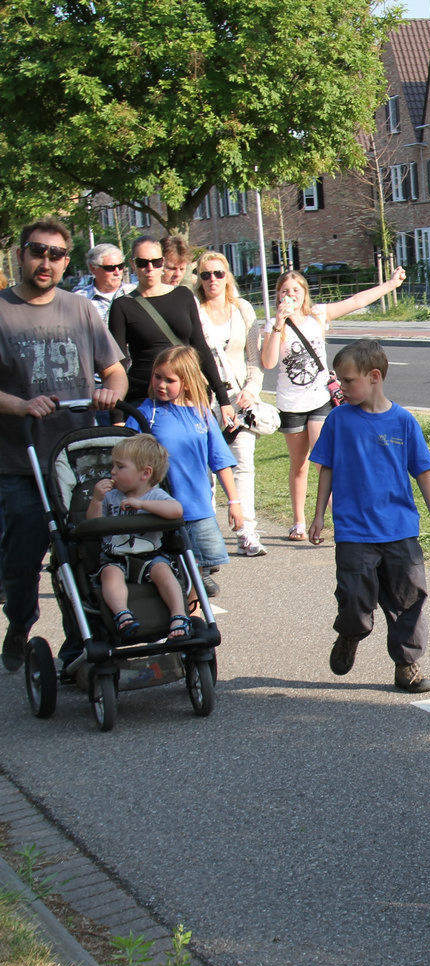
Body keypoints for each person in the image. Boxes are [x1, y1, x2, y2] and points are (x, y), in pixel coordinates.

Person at [0, 218, 127, 671]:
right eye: (37, 251)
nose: (45, 261)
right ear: (21, 255)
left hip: (77, 460)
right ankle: (20, 623)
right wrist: (21, 405)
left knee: (80, 554)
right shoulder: (2, 310)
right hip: (21, 462)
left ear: (66, 261)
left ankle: (79, 646)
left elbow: (114, 370)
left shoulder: (80, 309)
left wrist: (111, 391)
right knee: (21, 561)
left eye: (55, 255)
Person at [307, 339, 430, 692]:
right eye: (338, 379)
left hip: (400, 529)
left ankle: (407, 664)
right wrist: (319, 515)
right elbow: (326, 468)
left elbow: (422, 470)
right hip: (354, 531)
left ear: (374, 377)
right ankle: (350, 634)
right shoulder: (338, 420)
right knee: (355, 600)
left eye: (347, 380)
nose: (340, 386)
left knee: (408, 600)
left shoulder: (403, 421)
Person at [262, 266, 406, 542]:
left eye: (295, 290)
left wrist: (389, 285)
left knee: (323, 461)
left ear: (304, 293)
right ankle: (299, 522)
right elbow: (268, 362)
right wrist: (279, 323)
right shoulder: (273, 325)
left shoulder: (317, 315)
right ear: (278, 296)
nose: (290, 295)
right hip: (290, 403)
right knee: (299, 465)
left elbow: (356, 301)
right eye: (284, 291)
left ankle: (343, 520)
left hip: (319, 399)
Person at [124, 346, 244, 599]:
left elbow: (220, 461)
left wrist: (234, 502)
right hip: (157, 510)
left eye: (170, 380)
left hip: (197, 509)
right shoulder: (146, 413)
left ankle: (195, 613)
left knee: (196, 576)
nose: (161, 384)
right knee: (164, 573)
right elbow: (126, 457)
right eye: (157, 376)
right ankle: (177, 613)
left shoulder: (202, 414)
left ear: (187, 383)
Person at [108, 235, 233, 426]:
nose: (150, 268)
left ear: (163, 263)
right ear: (133, 264)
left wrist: (223, 399)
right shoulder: (122, 306)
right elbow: (117, 364)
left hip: (186, 395)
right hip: (144, 397)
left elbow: (200, 347)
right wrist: (117, 416)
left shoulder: (184, 296)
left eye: (156, 262)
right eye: (142, 263)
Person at [195, 251, 266, 557]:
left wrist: (251, 389)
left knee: (243, 465)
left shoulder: (242, 309)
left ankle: (246, 532)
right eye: (206, 274)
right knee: (206, 469)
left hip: (238, 400)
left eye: (218, 273)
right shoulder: (193, 310)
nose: (212, 279)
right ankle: (207, 535)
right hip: (203, 401)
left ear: (227, 276)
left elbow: (255, 359)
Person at [86, 434, 189, 641]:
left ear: (145, 473)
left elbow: (176, 510)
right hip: (115, 557)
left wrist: (142, 505)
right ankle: (122, 614)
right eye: (113, 466)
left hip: (149, 556)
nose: (112, 471)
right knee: (109, 574)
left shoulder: (155, 496)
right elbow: (92, 524)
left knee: (164, 571)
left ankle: (178, 615)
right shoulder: (110, 497)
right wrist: (97, 500)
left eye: (120, 467)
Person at [75, 242, 131, 324]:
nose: (117, 272)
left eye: (120, 266)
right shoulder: (79, 301)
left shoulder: (136, 293)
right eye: (110, 268)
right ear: (93, 269)